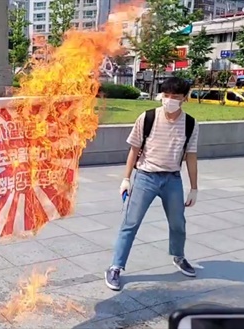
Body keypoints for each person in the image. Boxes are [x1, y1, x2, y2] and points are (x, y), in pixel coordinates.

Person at [104, 77, 199, 291]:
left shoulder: (191, 124)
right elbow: (134, 150)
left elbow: (191, 156)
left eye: (175, 97)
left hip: (172, 179)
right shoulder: (147, 117)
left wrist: (194, 187)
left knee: (178, 223)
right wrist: (126, 178)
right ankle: (115, 267)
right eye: (166, 96)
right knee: (131, 222)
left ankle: (178, 256)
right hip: (146, 177)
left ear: (185, 98)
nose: (169, 100)